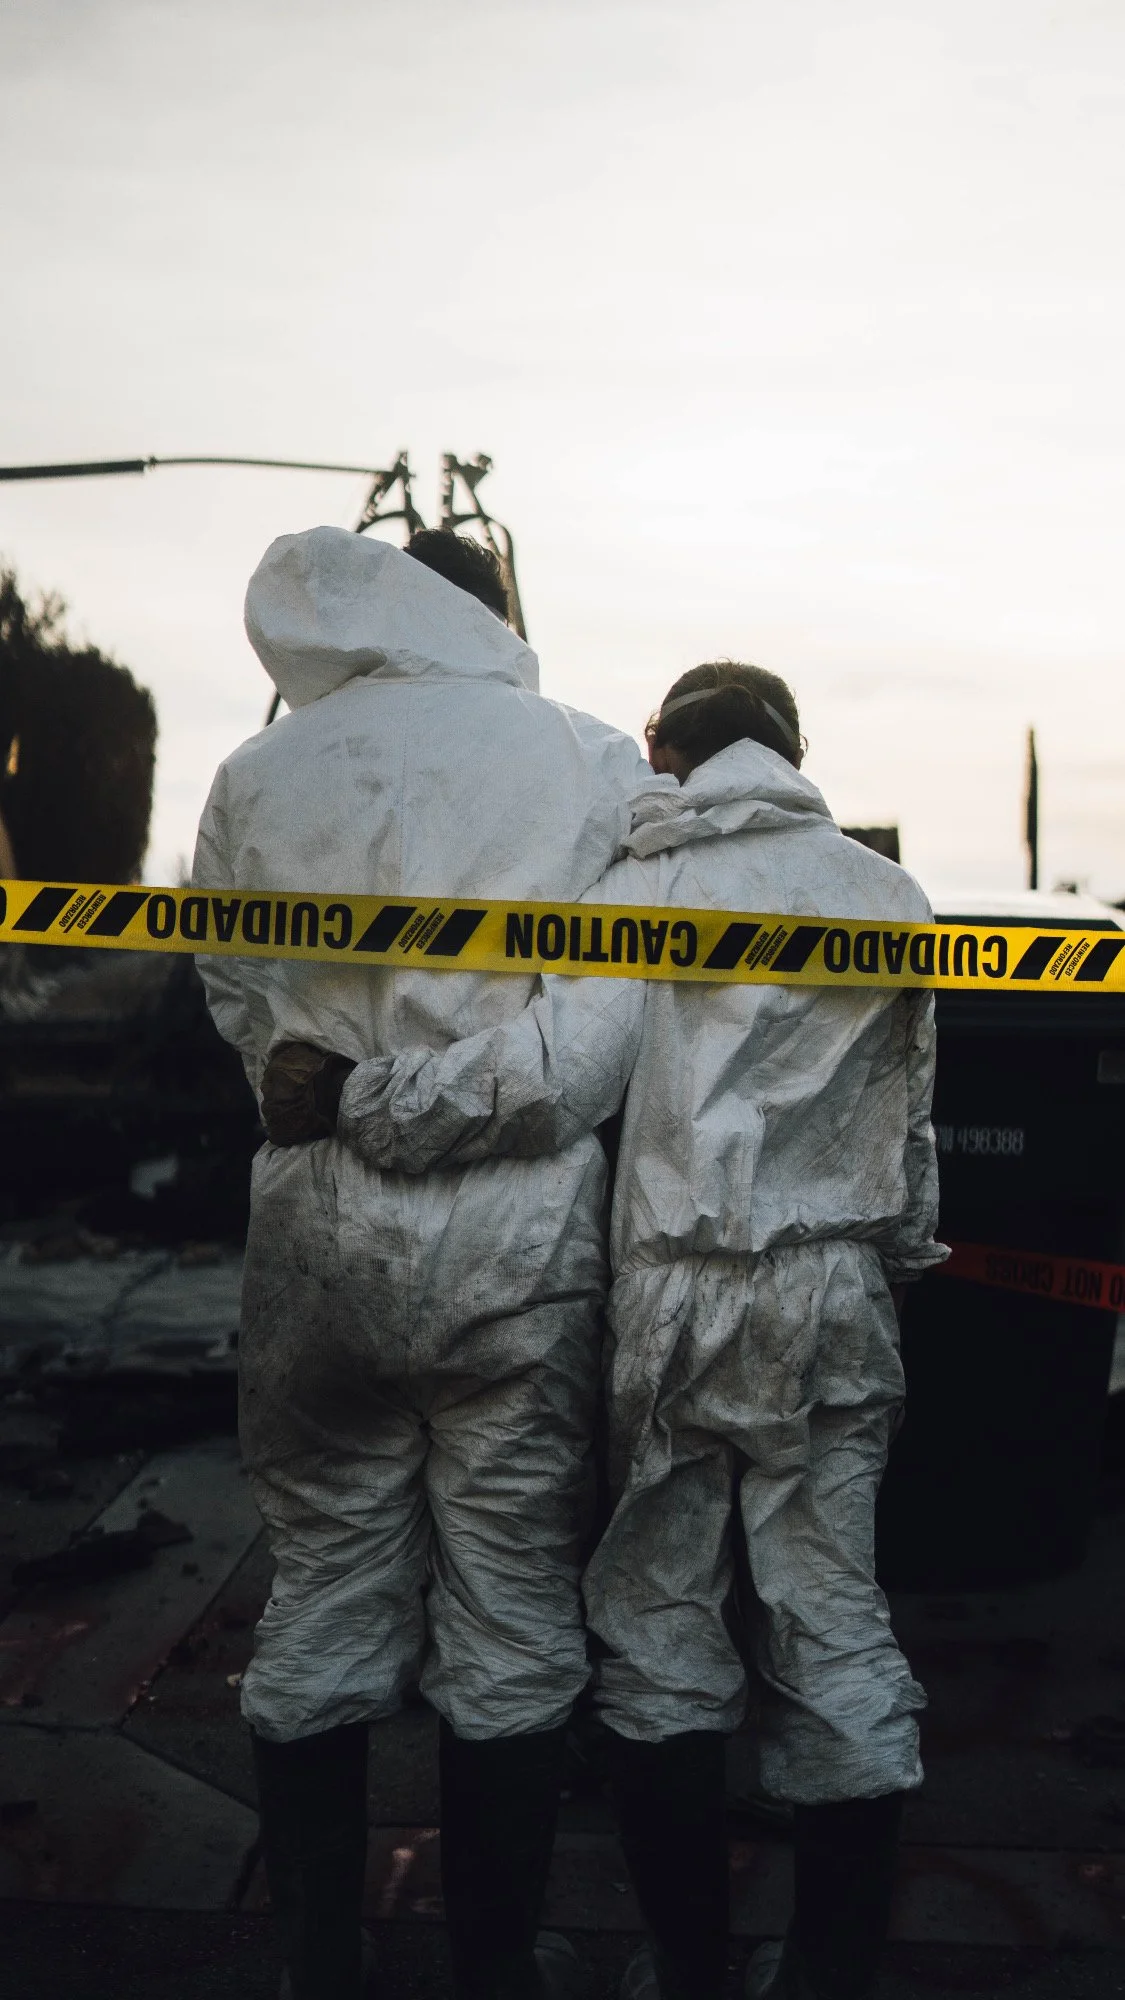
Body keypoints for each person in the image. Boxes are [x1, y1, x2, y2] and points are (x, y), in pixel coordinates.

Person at [331, 661, 947, 2000]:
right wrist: (882, 1273)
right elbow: (912, 1142)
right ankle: (832, 1970)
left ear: (664, 750)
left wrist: (360, 1100)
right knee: (833, 1615)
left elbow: (554, 1081)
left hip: (683, 1296)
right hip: (840, 1292)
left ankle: (691, 1970)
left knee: (660, 1626)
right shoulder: (887, 894)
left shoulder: (645, 893)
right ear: (792, 751)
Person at [192, 524, 655, 2000]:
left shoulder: (257, 775)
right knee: (514, 1613)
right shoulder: (586, 762)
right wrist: (424, 1103)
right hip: (513, 1249)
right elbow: (590, 1050)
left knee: (320, 1589)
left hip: (313, 1233)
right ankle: (494, 1971)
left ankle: (323, 1956)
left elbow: (234, 988)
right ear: (501, 612)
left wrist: (328, 1086)